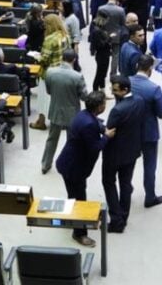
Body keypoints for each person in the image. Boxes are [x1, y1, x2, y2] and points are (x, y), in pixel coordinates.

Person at [56, 91, 115, 247]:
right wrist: (107, 136)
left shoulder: (84, 115)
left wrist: (101, 129)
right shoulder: (88, 123)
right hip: (74, 167)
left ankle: (72, 218)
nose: (105, 105)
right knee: (80, 200)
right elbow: (95, 147)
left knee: (73, 195)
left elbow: (95, 125)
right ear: (99, 107)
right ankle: (79, 233)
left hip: (68, 163)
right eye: (104, 103)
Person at [102, 76, 145, 233]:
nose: (113, 93)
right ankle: (124, 216)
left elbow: (109, 131)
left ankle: (116, 219)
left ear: (124, 90)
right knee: (125, 184)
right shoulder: (139, 101)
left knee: (109, 183)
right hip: (132, 151)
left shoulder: (117, 110)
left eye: (115, 90)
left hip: (114, 153)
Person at [41, 49, 88, 174]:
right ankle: (69, 164)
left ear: (62, 57)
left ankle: (45, 164)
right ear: (74, 59)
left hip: (55, 109)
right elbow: (84, 97)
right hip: (72, 112)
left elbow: (49, 91)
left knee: (51, 139)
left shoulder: (50, 72)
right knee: (71, 141)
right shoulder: (77, 76)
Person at [129, 55, 162, 208]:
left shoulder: (127, 82)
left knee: (129, 163)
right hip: (149, 132)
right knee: (149, 166)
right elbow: (161, 114)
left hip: (130, 131)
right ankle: (149, 196)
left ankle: (126, 189)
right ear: (150, 69)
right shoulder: (154, 89)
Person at [31, 13, 71, 131]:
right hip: (63, 70)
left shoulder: (49, 39)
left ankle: (41, 122)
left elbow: (44, 59)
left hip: (49, 73)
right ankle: (63, 122)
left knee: (43, 98)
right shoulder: (66, 36)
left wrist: (36, 57)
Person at [98, 0, 125, 77]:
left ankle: (102, 73)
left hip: (104, 35)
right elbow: (123, 23)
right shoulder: (120, 10)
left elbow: (99, 24)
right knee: (115, 55)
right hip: (116, 35)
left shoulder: (101, 8)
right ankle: (113, 74)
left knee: (103, 56)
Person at [88, 11, 113, 92]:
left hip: (103, 54)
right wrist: (109, 38)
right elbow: (100, 45)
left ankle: (102, 90)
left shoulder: (98, 28)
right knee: (100, 74)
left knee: (102, 73)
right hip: (102, 54)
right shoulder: (97, 31)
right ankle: (95, 90)